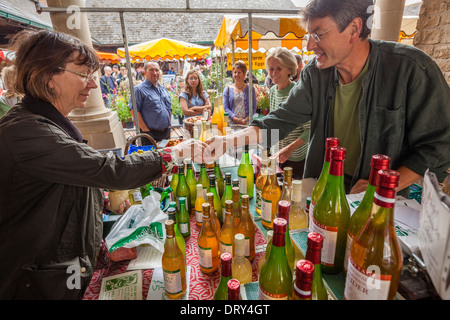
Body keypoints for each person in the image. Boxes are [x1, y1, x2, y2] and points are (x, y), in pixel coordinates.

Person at [0, 29, 208, 300]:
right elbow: (106, 169)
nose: (93, 85)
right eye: (84, 75)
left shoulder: (41, 121)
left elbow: (68, 182)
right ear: (49, 76)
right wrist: (174, 154)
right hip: (35, 282)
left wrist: (102, 215)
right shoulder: (27, 133)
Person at [205, 0, 450, 196]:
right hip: (324, 185)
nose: (310, 45)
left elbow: (438, 146)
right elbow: (279, 120)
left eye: (319, 34)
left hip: (383, 201)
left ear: (354, 29)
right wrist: (225, 141)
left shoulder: (411, 69)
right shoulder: (315, 73)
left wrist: (386, 185)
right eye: (309, 35)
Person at [266, 48, 310, 180]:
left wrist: (289, 149)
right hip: (277, 155)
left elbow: (309, 130)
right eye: (271, 69)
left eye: (279, 68)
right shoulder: (273, 90)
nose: (274, 73)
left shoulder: (298, 93)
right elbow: (274, 122)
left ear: (290, 69)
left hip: (295, 157)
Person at [130, 61, 172, 143]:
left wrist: (169, 125)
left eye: (157, 70)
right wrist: (146, 131)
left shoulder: (163, 89)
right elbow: (134, 111)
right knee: (152, 155)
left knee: (165, 154)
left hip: (165, 133)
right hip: (150, 134)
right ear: (145, 72)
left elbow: (169, 108)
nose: (155, 73)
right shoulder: (139, 89)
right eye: (151, 70)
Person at [223, 60, 257, 125]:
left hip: (246, 124)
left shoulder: (250, 89)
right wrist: (236, 119)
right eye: (235, 72)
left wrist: (246, 119)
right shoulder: (227, 89)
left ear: (244, 74)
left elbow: (253, 107)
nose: (236, 74)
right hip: (232, 124)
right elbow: (226, 108)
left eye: (239, 72)